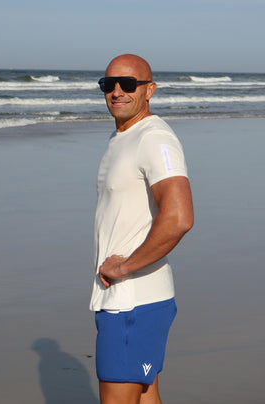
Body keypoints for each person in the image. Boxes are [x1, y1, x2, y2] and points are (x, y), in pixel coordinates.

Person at [90, 54, 194, 404]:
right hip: (133, 302)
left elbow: (179, 217)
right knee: (146, 397)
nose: (117, 91)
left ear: (150, 90)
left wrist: (124, 267)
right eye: (109, 84)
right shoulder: (123, 136)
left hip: (132, 303)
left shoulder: (154, 138)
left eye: (129, 84)